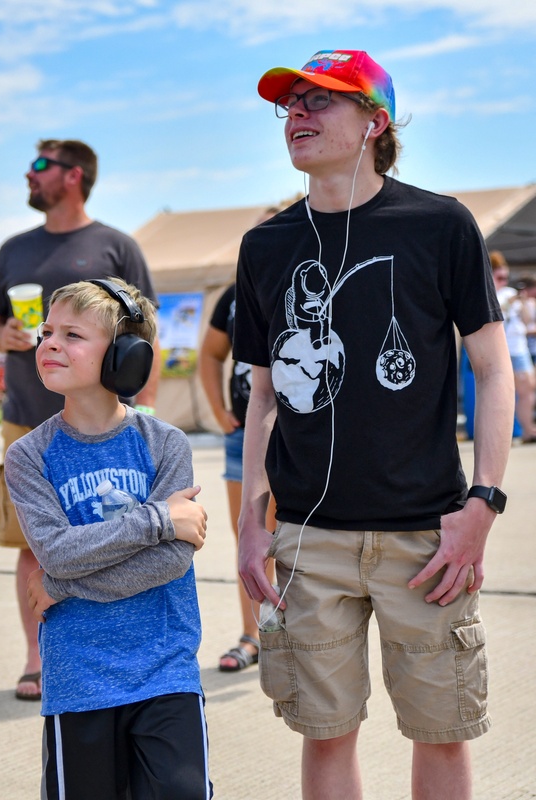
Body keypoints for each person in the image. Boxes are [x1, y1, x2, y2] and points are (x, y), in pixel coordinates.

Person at [233, 50, 514, 799]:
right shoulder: (266, 245)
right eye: (290, 102)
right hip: (307, 539)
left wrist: (483, 504)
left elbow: (492, 370)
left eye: (321, 100)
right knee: (324, 738)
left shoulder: (439, 224)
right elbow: (262, 396)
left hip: (426, 537)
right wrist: (251, 526)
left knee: (442, 733)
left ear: (375, 123)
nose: (298, 113)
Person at [3, 277, 211, 799]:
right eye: (47, 331)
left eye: (73, 335)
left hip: (165, 669)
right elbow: (54, 552)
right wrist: (158, 519)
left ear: (125, 356)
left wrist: (67, 585)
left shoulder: (165, 444)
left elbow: (171, 564)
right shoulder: (29, 456)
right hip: (79, 678)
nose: (49, 343)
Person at [0, 138, 160, 701]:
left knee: (115, 535)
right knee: (32, 547)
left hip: (107, 425)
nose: (29, 175)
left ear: (74, 175)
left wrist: (145, 413)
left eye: (40, 166)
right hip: (26, 423)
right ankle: (38, 658)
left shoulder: (115, 246)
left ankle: (121, 651)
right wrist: (0, 336)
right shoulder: (14, 249)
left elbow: (146, 336)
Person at [197, 208, 279, 672]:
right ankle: (253, 634)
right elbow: (209, 354)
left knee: (300, 537)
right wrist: (218, 408)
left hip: (303, 434)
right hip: (245, 434)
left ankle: (292, 632)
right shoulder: (234, 294)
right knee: (249, 536)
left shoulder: (314, 283)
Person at [491, 251, 536, 442]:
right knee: (505, 392)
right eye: (500, 277)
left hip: (519, 347)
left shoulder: (509, 293)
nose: (504, 281)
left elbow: (526, 321)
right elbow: (496, 316)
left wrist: (524, 302)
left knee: (528, 389)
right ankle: (510, 432)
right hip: (505, 349)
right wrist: (509, 304)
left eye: (506, 277)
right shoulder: (492, 295)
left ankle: (527, 429)